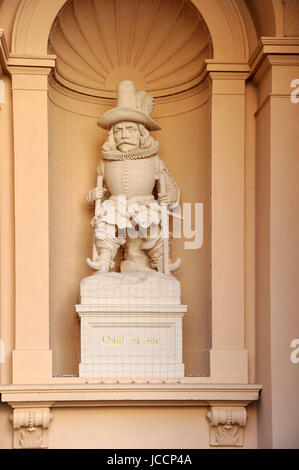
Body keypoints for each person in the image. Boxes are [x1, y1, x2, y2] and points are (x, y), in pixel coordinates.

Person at [86, 80, 180, 274]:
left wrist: (168, 197)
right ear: (112, 135)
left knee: (152, 225)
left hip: (144, 204)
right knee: (104, 222)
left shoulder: (154, 161)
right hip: (116, 204)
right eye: (118, 131)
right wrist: (93, 195)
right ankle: (103, 260)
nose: (124, 135)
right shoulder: (105, 163)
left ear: (141, 133)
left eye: (130, 130)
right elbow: (101, 195)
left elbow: (172, 189)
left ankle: (162, 263)